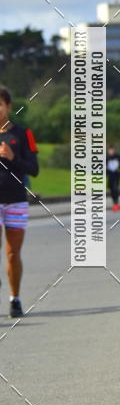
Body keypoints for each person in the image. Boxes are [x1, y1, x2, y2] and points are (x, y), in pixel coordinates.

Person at [0, 86, 39, 318]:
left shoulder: (23, 134)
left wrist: (13, 157)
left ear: (8, 106)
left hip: (16, 201)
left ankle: (15, 299)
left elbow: (34, 169)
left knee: (13, 254)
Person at [106, 145, 120, 211]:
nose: (111, 151)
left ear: (114, 150)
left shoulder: (118, 156)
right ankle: (114, 202)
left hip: (116, 175)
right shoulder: (107, 157)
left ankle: (116, 202)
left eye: (112, 150)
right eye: (110, 150)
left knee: (115, 188)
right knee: (111, 188)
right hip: (110, 175)